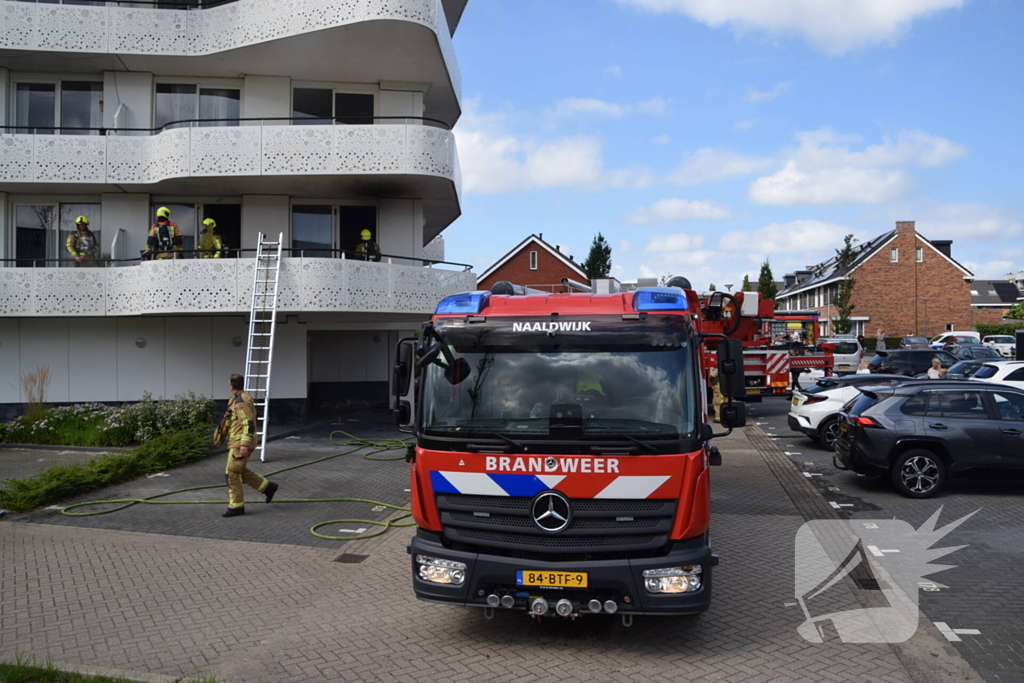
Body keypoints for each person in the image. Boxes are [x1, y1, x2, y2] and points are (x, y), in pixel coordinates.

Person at [222, 373, 278, 517]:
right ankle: (268, 487)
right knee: (238, 470)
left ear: (231, 386)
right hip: (238, 442)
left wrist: (244, 445)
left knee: (232, 474)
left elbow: (248, 423)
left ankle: (236, 507)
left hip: (239, 443)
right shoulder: (238, 398)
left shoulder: (240, 401)